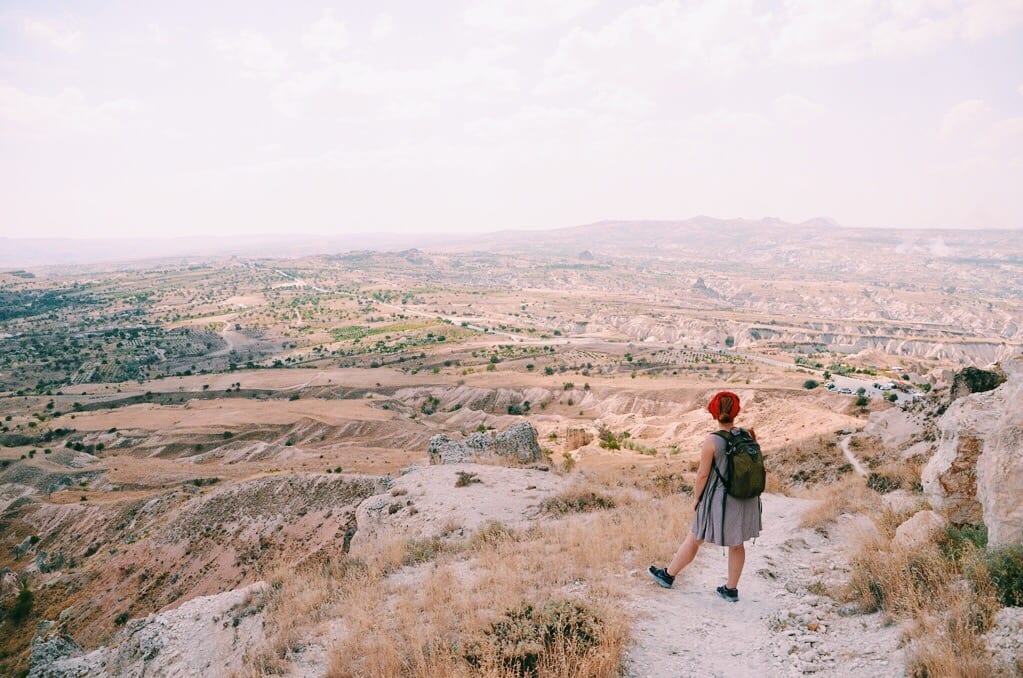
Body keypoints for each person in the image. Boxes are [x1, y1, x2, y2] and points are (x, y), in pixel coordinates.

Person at [648, 391, 762, 602]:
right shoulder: (747, 434)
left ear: (714, 412)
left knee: (695, 538)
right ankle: (731, 589)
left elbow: (702, 475)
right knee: (737, 545)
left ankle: (668, 575)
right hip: (745, 498)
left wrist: (697, 499)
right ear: (736, 412)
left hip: (719, 499)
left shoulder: (712, 440)